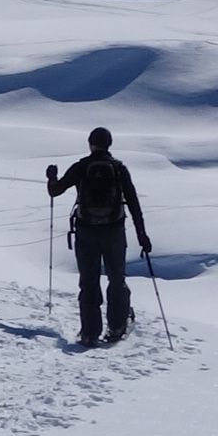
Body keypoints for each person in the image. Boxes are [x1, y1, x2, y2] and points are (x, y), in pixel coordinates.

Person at [45, 128, 152, 346]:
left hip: (86, 231)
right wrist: (142, 234)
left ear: (90, 143)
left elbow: (55, 191)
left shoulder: (81, 167)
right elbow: (133, 202)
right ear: (109, 144)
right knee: (116, 278)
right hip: (114, 231)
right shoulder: (119, 168)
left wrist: (52, 177)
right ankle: (117, 327)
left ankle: (89, 333)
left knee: (89, 281)